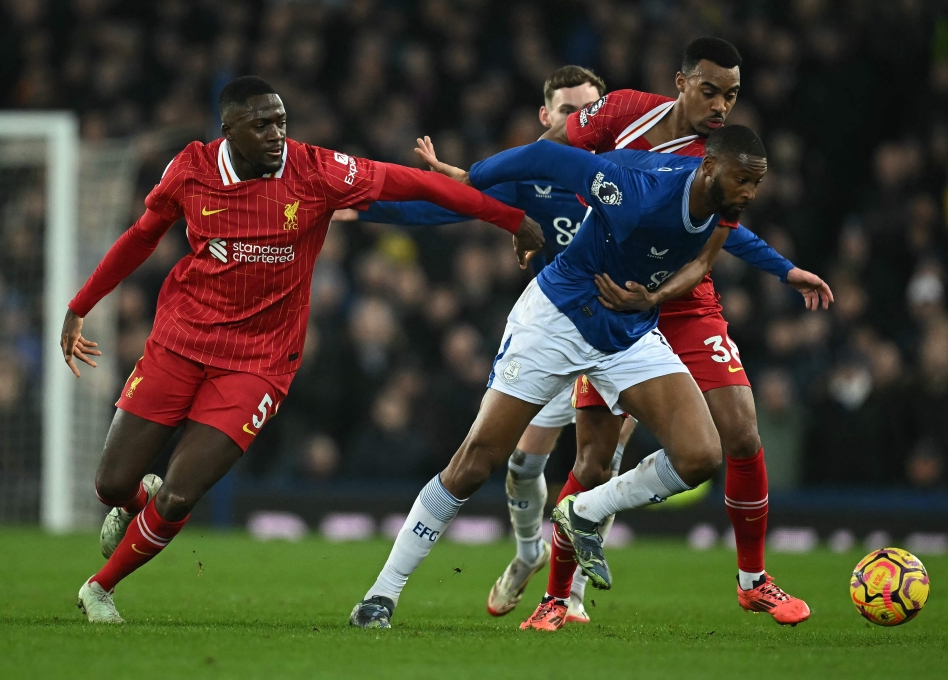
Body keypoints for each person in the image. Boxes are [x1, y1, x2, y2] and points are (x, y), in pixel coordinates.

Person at [63, 75, 542, 624]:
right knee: (110, 484)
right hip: (179, 341)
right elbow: (143, 235)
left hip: (259, 362)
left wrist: (509, 218)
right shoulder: (190, 169)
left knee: (179, 494)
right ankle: (133, 505)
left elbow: (414, 184)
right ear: (229, 130)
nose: (276, 134)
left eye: (282, 122)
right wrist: (81, 305)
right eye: (262, 124)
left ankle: (101, 588)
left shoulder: (315, 170)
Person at [349, 65, 811, 625]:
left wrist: (668, 295)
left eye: (756, 185)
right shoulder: (634, 189)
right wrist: (474, 176)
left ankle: (582, 512)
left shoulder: (724, 202)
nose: (750, 195)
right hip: (559, 319)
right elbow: (545, 159)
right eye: (744, 182)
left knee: (703, 455)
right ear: (710, 168)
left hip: (626, 331)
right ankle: (382, 593)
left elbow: (703, 261)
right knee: (477, 463)